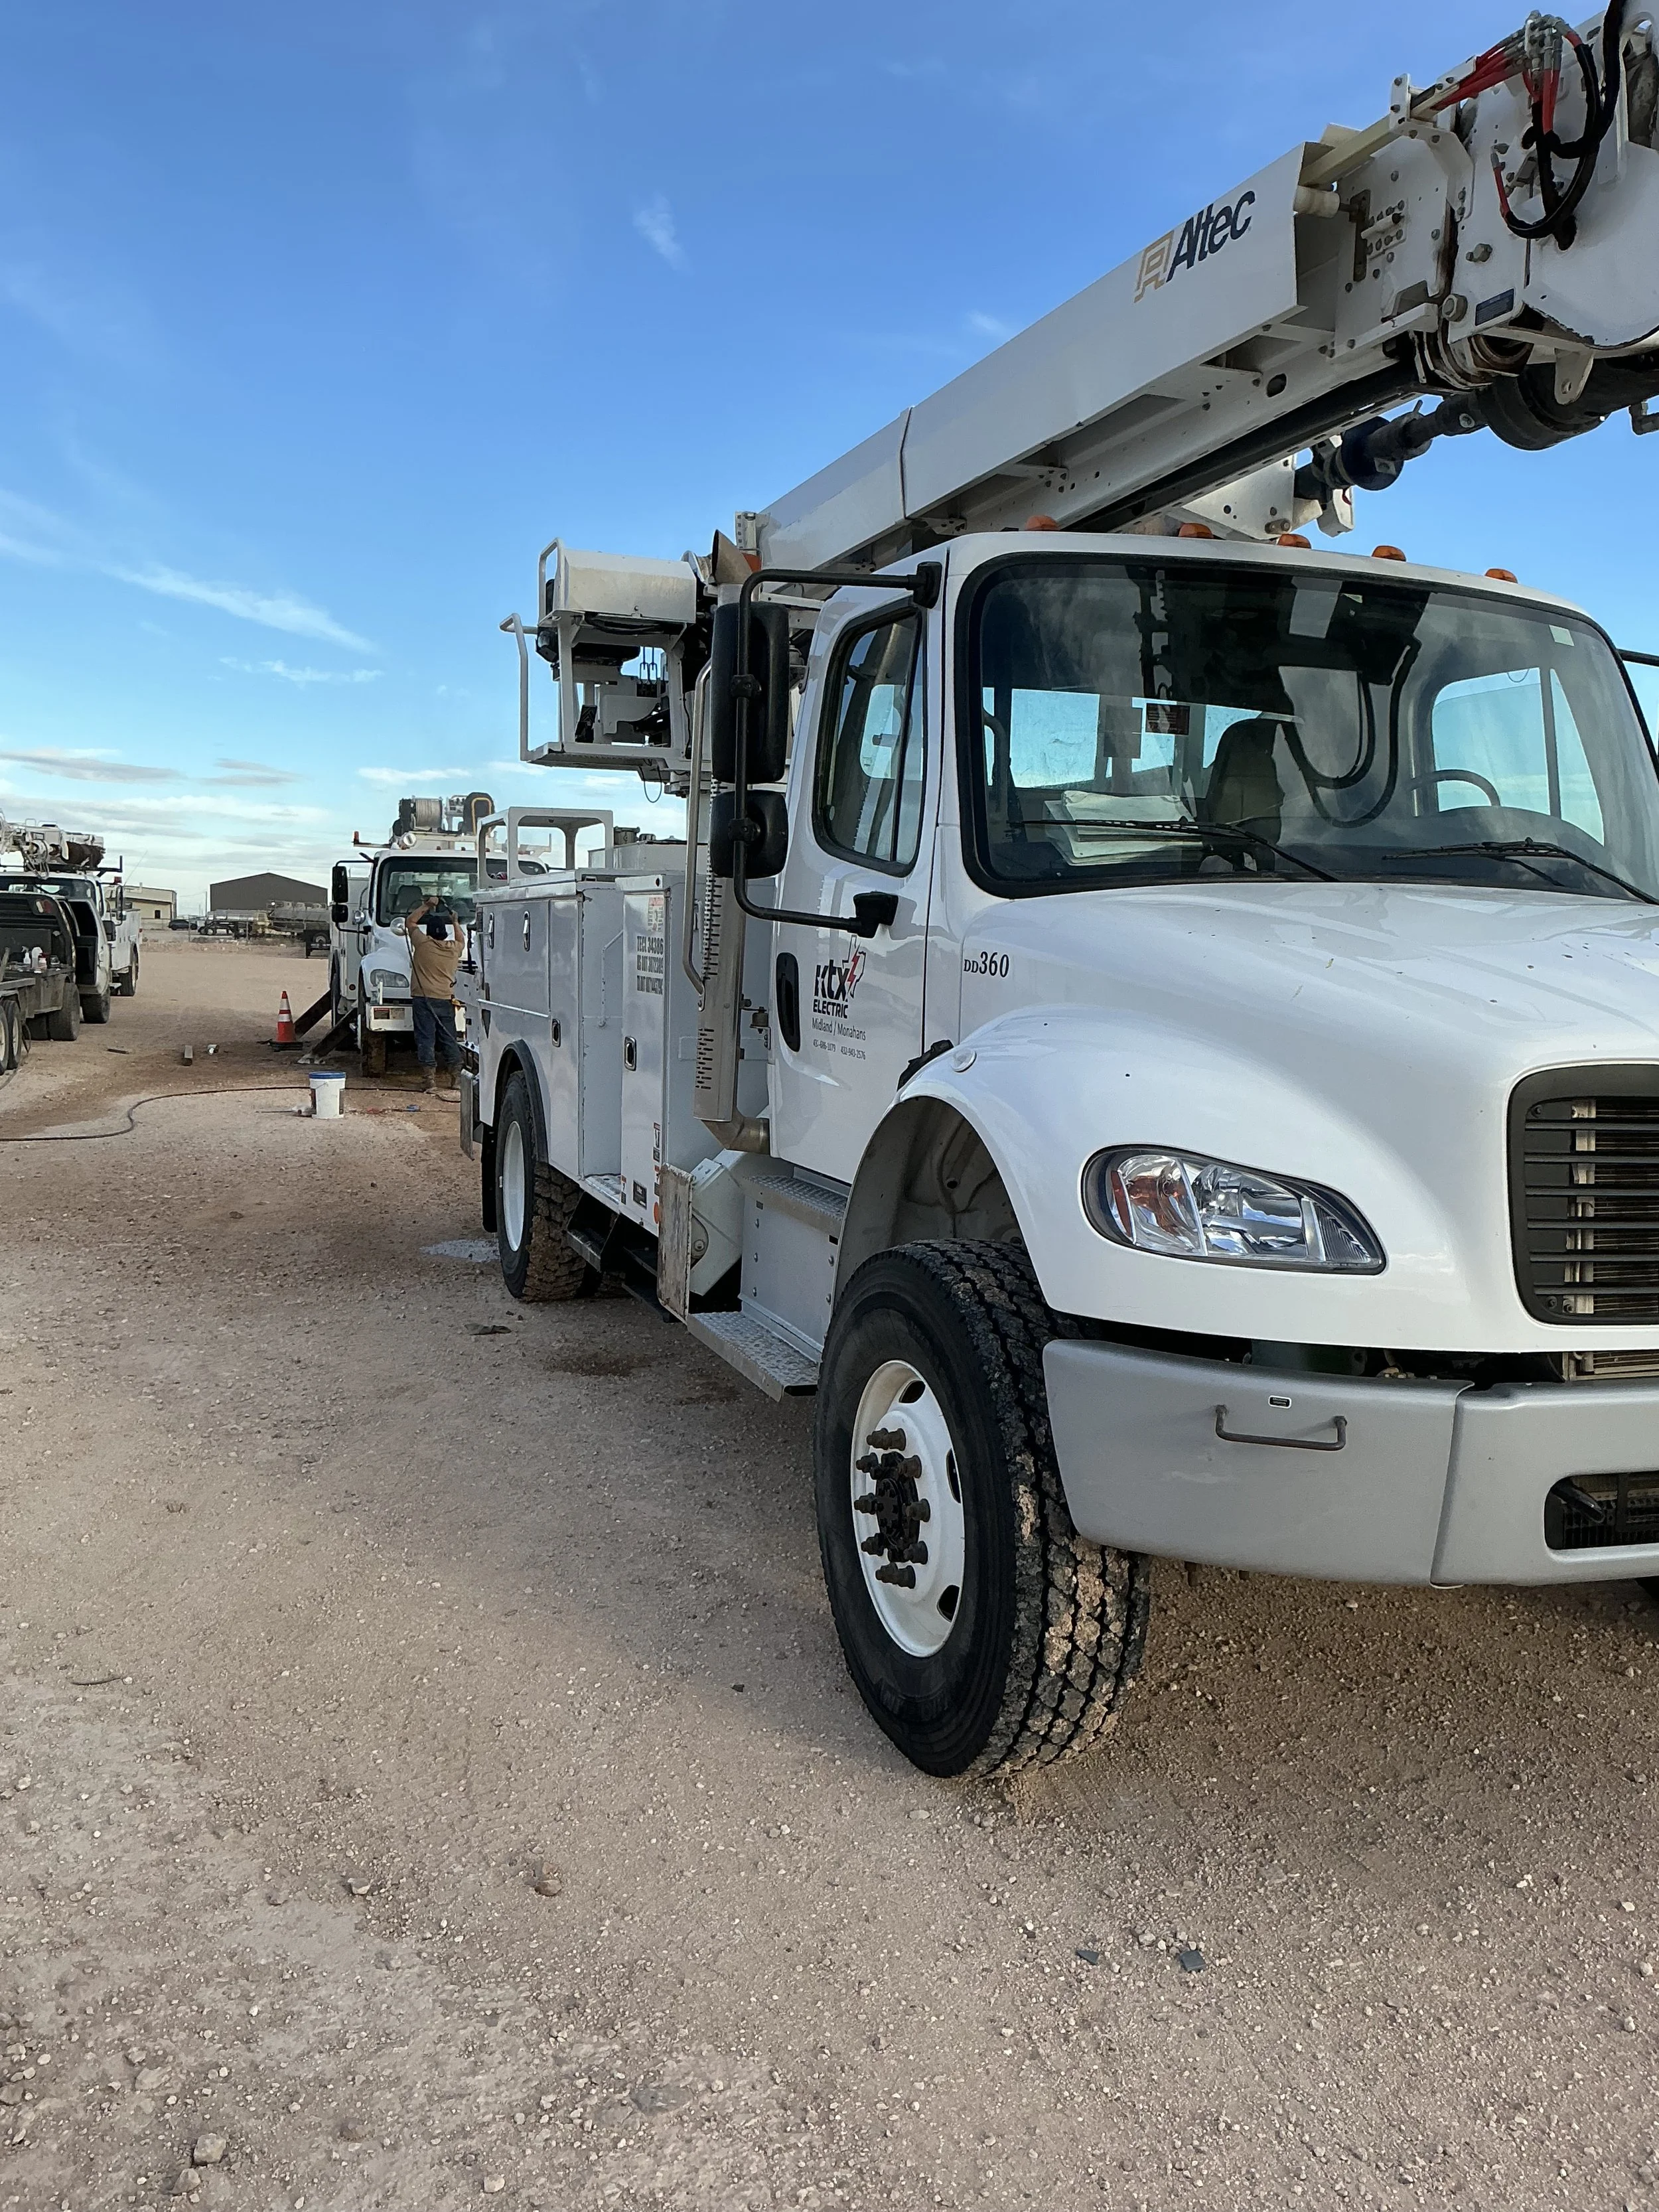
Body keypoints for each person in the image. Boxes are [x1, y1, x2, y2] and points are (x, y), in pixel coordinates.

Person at [400, 894, 465, 1098]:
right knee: (449, 1038)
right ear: (444, 934)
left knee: (426, 1038)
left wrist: (427, 906)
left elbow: (410, 922)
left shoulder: (423, 944)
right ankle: (456, 1078)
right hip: (446, 999)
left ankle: (429, 1080)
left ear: (429, 932)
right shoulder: (454, 949)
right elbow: (461, 939)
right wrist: (455, 921)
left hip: (423, 999)